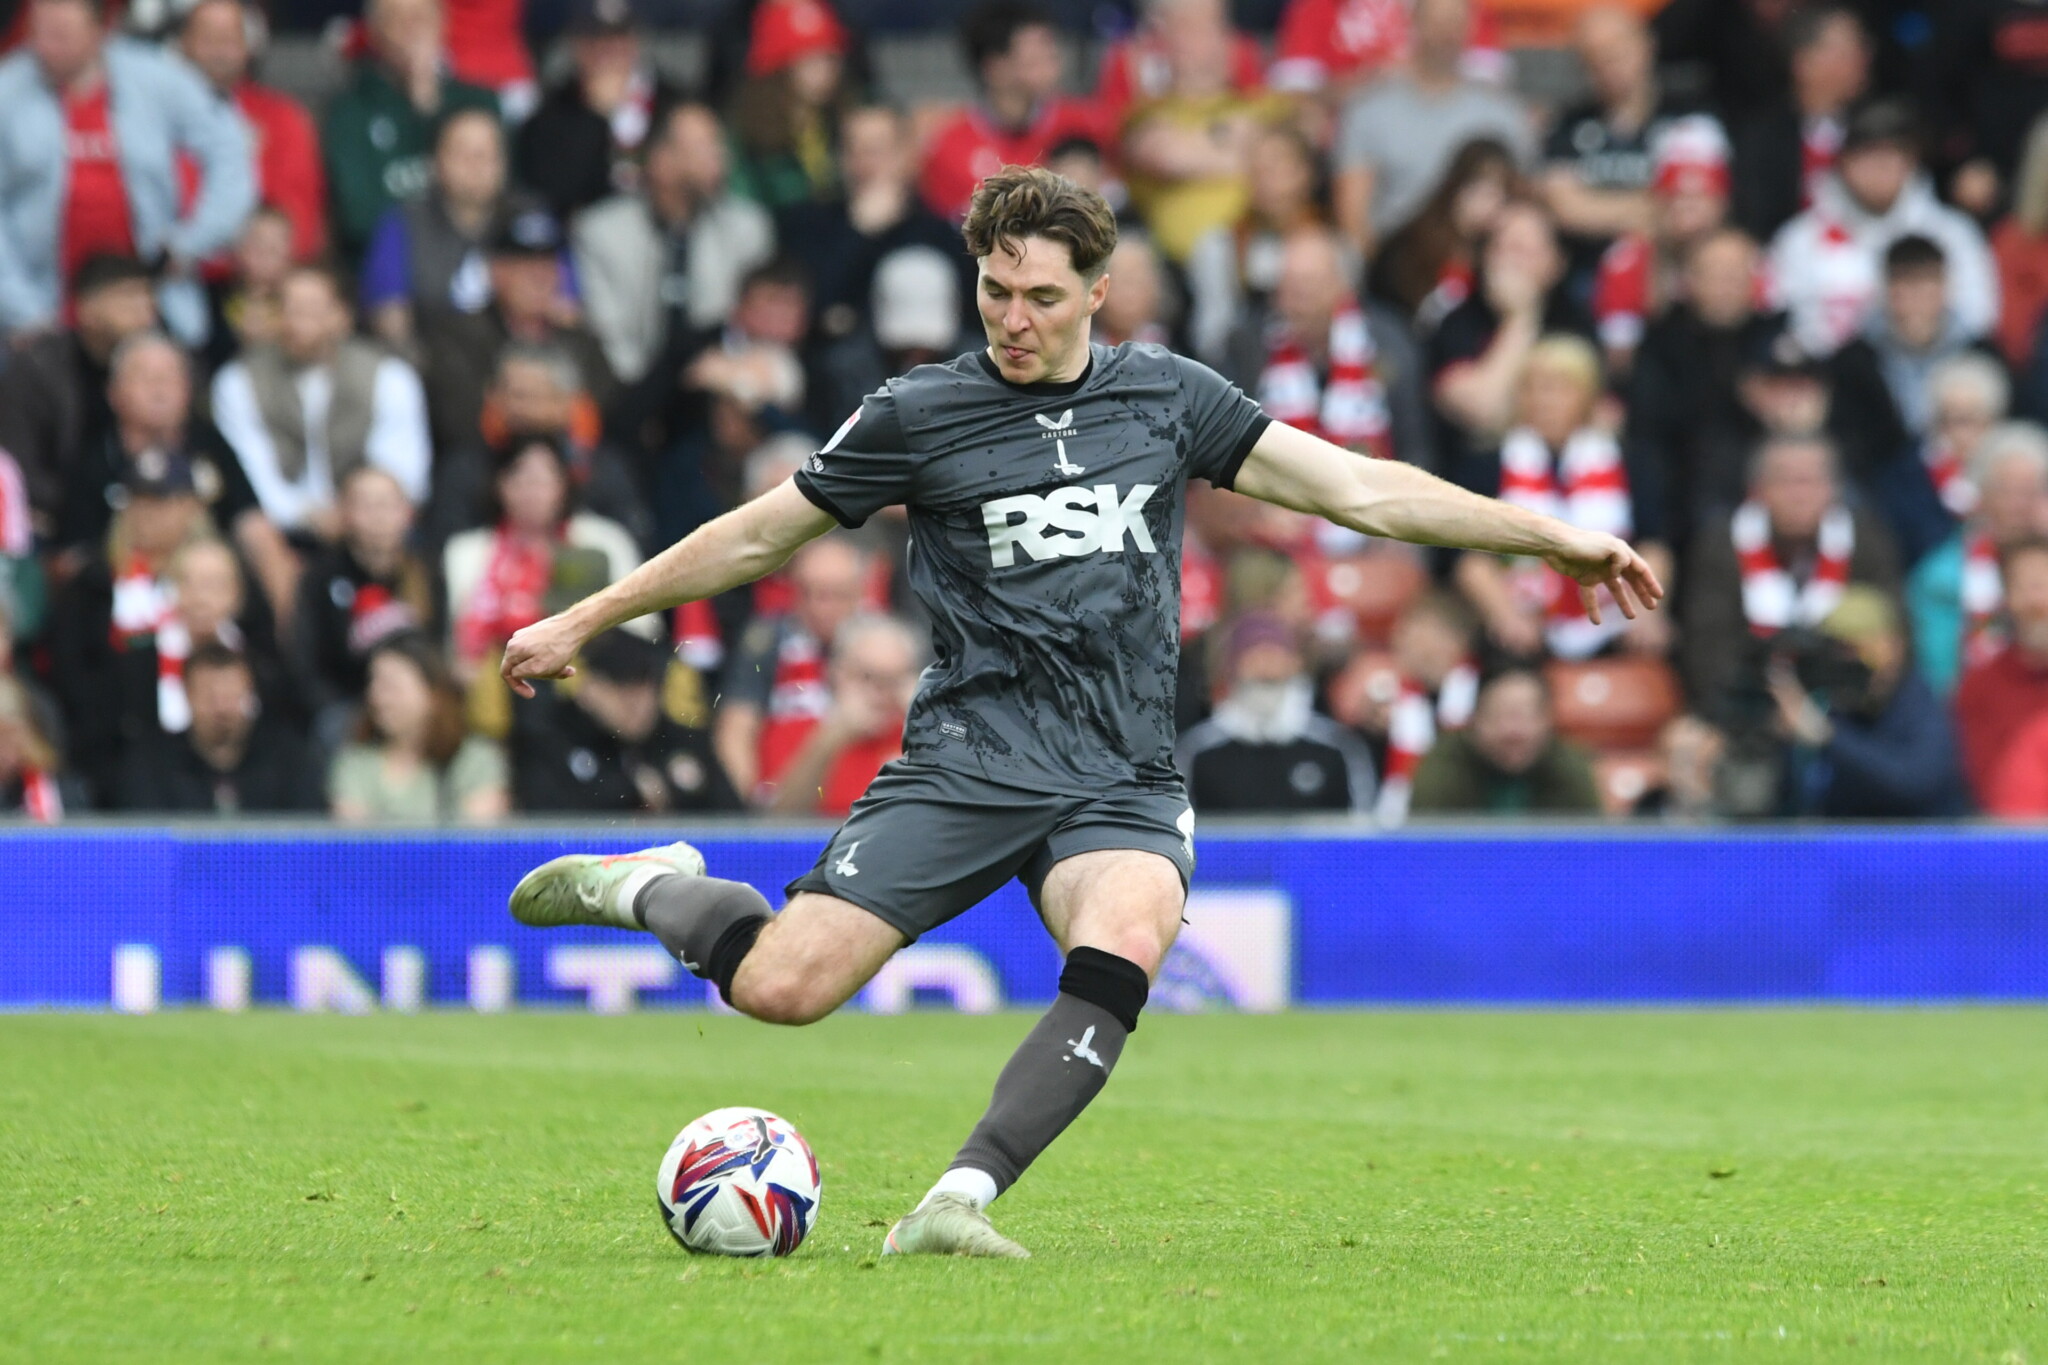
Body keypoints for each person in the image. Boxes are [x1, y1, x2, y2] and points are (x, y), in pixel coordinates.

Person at [495, 165, 1659, 1257]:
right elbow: (755, 536)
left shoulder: (1167, 398)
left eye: (1042, 297)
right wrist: (586, 618)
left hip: (1118, 771)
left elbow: (1359, 489)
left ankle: (956, 1200)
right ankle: (648, 885)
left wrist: (1546, 536)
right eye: (994, 292)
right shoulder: (918, 413)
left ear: (1098, 293)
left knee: (1128, 932)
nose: (1013, 318)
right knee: (780, 991)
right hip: (968, 759)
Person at [0, 0, 253, 347]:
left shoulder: (155, 78)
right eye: (38, 32)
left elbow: (228, 150)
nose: (45, 46)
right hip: (43, 310)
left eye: (61, 35)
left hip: (155, 302)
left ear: (98, 32)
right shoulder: (8, 90)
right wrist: (20, 308)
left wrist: (190, 243)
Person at [1454, 333, 1671, 660]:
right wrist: (1506, 615)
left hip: (1614, 624)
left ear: (1588, 396)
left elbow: (1653, 545)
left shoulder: (1628, 461)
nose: (1544, 400)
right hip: (1523, 629)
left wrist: (1645, 609)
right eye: (1532, 388)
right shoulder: (1488, 464)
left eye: (1558, 388)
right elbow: (1471, 559)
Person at [1681, 432, 1904, 725]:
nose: (1799, 496)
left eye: (1811, 481)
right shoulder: (1723, 544)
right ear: (1757, 489)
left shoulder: (1865, 539)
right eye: (1785, 481)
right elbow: (1708, 651)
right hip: (1749, 711)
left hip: (1847, 715)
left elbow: (1893, 634)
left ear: (1835, 489)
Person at [210, 265, 432, 540]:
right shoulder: (238, 381)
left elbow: (402, 473)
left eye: (310, 310)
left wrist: (353, 513)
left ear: (342, 316)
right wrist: (304, 515)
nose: (296, 322)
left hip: (371, 528)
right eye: (287, 309)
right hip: (280, 529)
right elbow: (252, 472)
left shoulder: (390, 377)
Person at [1767, 99, 1999, 357]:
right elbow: (1782, 321)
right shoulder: (1800, 238)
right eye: (1867, 155)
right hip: (1827, 373)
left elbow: (1978, 319)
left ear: (1911, 162)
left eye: (1891, 155)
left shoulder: (1952, 234)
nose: (1879, 168)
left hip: (1936, 370)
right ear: (1843, 162)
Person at [572, 102, 777, 390]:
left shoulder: (747, 228)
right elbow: (607, 335)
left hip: (722, 383)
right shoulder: (601, 232)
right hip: (630, 389)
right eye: (705, 146)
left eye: (719, 144)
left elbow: (757, 323)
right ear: (661, 159)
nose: (720, 155)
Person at [414, 198, 617, 455]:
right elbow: (460, 423)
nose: (540, 277)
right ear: (495, 271)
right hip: (487, 465)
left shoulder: (579, 340)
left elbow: (610, 416)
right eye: (525, 264)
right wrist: (557, 410)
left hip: (572, 465)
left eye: (549, 264)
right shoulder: (458, 336)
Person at [444, 433, 649, 683]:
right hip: (495, 681)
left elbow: (641, 629)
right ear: (500, 485)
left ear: (564, 484)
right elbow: (454, 649)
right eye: (520, 479)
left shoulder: (605, 541)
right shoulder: (466, 552)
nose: (531, 492)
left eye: (542, 480)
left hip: (593, 675)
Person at [1331, 0, 1529, 257]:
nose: (1446, 32)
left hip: (1477, 262)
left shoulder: (1502, 114)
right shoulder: (1369, 110)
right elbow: (1353, 217)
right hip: (1394, 260)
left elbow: (1521, 203)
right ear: (1414, 23)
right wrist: (1382, 271)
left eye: (1455, 22)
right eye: (1437, 21)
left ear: (1470, 27)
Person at [1223, 227, 1429, 468]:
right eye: (1287, 287)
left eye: (1308, 287)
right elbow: (1228, 443)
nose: (1296, 303)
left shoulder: (1388, 342)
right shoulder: (1249, 344)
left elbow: (1416, 447)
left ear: (1344, 288)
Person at [1428, 198, 1593, 485]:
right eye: (1501, 248)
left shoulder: (1574, 321)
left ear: (1556, 264)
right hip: (1476, 482)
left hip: (1566, 482)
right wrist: (1519, 319)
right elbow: (1481, 413)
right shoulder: (1457, 322)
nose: (1510, 262)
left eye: (1524, 250)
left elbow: (1599, 416)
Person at [1765, 585, 1967, 817]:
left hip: (1920, 838)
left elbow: (1915, 782)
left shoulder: (1919, 703)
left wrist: (1826, 735)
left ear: (1893, 645)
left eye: (1855, 648)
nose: (1846, 661)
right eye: (1838, 651)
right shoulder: (1832, 702)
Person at [320, 0, 499, 261]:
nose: (410, 28)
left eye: (420, 17)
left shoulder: (479, 102)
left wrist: (429, 106)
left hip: (477, 259)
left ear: (442, 23)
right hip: (385, 265)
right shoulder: (349, 111)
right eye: (395, 18)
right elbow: (358, 218)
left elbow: (499, 200)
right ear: (374, 32)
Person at [1115, 0, 1287, 266]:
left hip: (1263, 252)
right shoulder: (1148, 114)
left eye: (1216, 28)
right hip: (1175, 267)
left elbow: (1292, 160)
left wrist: (1202, 148)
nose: (1207, 42)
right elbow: (1168, 157)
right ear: (1167, 43)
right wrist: (1249, 155)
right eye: (1191, 30)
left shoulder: (1262, 105)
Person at [779, 105, 965, 351]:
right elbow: (804, 309)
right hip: (838, 360)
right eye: (851, 150)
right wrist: (858, 234)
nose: (863, 164)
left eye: (875, 151)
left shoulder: (938, 232)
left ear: (907, 157)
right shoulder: (808, 224)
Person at [0, 253, 156, 539]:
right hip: (56, 520)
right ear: (87, 309)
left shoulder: (161, 361)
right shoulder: (38, 370)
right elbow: (19, 466)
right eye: (128, 298)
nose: (144, 312)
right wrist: (81, 508)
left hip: (147, 508)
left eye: (147, 298)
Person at [1540, 5, 1698, 280]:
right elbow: (1562, 207)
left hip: (1673, 275)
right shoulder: (1568, 125)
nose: (1608, 63)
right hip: (1586, 277)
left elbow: (1693, 208)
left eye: (1618, 49)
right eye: (1595, 56)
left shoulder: (1686, 117)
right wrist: (1647, 206)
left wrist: (1594, 206)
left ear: (1647, 44)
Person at [712, 534, 870, 802]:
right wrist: (750, 808)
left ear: (859, 593)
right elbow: (736, 730)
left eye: (835, 595)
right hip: (784, 800)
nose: (820, 608)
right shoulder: (767, 641)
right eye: (808, 593)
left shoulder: (883, 643)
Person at [510, 627, 737, 813]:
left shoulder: (683, 740)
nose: (636, 703)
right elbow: (545, 822)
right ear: (589, 688)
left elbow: (734, 822)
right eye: (621, 688)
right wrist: (633, 791)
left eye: (644, 685)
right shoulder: (553, 738)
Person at [917, 0, 1106, 221]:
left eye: (1051, 50)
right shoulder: (949, 146)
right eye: (1037, 56)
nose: (1053, 61)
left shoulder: (1082, 123)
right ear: (995, 67)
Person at [1175, 610, 1375, 814]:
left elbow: (1362, 824)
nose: (1266, 668)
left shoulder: (1336, 748)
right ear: (1232, 666)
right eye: (1254, 655)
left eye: (1275, 655)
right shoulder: (1197, 753)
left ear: (1295, 663)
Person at [176, 0, 325, 266]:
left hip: (267, 272)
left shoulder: (281, 117)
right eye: (208, 39)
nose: (219, 50)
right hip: (185, 268)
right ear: (184, 45)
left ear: (248, 46)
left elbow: (299, 216)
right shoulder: (161, 121)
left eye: (229, 39)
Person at [295, 465, 439, 739]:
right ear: (345, 514)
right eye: (366, 506)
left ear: (407, 513)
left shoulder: (426, 573)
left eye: (386, 505)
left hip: (414, 703)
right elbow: (306, 665)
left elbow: (437, 650)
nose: (377, 516)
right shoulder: (321, 577)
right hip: (347, 708)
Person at [1910, 422, 2048, 698]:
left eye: (2030, 491)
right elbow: (1938, 677)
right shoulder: (1941, 577)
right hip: (1977, 704)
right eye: (2007, 491)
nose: (2019, 505)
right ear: (1981, 496)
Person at [515, 0, 684, 222]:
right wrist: (596, 117)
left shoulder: (673, 103)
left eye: (618, 38)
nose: (607, 51)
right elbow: (560, 193)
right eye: (594, 38)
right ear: (575, 45)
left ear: (636, 40)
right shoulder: (551, 113)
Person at [359, 108, 509, 358]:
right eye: (463, 154)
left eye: (486, 154)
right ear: (436, 162)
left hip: (519, 367)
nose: (476, 165)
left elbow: (563, 310)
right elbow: (390, 319)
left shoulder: (528, 219)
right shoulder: (403, 222)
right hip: (429, 362)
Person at [1588, 115, 1733, 373]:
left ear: (1722, 204)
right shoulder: (1625, 262)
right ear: (1655, 200)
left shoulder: (1745, 262)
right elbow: (1620, 364)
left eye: (1700, 197)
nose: (1687, 207)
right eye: (1675, 196)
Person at [116, 640, 321, 813]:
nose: (221, 709)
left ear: (250, 694)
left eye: (231, 696)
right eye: (210, 697)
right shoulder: (152, 764)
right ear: (187, 695)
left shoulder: (290, 760)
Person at [1728, 3, 1870, 244]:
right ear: (1803, 63)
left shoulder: (1875, 126)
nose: (1861, 60)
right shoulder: (1763, 137)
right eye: (1845, 52)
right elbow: (1755, 219)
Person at [1185, 124, 1326, 366]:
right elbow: (1211, 338)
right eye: (1256, 166)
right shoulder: (1220, 245)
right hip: (1247, 369)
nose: (1264, 175)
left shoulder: (1331, 243)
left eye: (1276, 165)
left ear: (1305, 173)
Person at [330, 632, 507, 823]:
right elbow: (355, 835)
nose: (378, 697)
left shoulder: (476, 760)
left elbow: (478, 834)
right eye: (374, 684)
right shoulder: (356, 763)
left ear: (433, 693)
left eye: (392, 686)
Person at [761, 612, 921, 815]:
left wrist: (923, 726)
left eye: (893, 680)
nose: (880, 693)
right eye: (867, 677)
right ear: (837, 673)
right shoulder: (795, 729)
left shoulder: (923, 736)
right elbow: (776, 821)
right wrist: (829, 741)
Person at [1408, 666, 1602, 815]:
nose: (1513, 732)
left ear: (1547, 721)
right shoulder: (1443, 765)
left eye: (1526, 716)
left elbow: (1588, 843)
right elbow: (1426, 842)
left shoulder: (1570, 766)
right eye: (1499, 715)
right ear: (1476, 720)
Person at [1366, 137, 1517, 326]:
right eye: (1480, 188)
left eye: (1501, 194)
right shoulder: (1407, 249)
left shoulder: (1497, 255)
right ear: (1456, 185)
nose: (1491, 203)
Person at [1865, 235, 2000, 444]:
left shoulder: (1983, 355)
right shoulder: (1856, 361)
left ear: (1945, 288)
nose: (1916, 302)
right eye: (1906, 287)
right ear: (1887, 291)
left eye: (1925, 287)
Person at [726, 0, 853, 212]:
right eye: (811, 60)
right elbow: (743, 203)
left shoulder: (842, 123)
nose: (825, 71)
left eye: (830, 59)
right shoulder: (748, 136)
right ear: (779, 68)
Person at [1957, 536, 2048, 806]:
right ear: (2006, 598)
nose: (2038, 601)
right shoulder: (1979, 688)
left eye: (2045, 585)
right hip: (2007, 826)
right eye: (2026, 587)